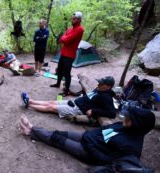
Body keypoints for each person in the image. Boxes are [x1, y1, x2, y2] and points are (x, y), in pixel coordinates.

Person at [19, 106, 155, 165]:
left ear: (137, 124)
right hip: (89, 138)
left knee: (57, 139)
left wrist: (89, 145)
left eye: (129, 118)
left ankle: (31, 129)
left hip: (88, 152)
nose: (125, 118)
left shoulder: (132, 148)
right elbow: (104, 128)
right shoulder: (123, 126)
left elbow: (106, 161)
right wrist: (89, 135)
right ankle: (31, 132)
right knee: (59, 133)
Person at [22, 76, 116, 119]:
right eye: (99, 82)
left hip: (77, 109)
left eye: (101, 83)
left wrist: (94, 111)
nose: (98, 84)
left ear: (108, 87)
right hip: (74, 102)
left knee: (51, 107)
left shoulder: (106, 97)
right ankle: (30, 100)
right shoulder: (100, 89)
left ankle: (29, 105)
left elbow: (112, 113)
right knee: (51, 102)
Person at [50, 12, 84, 96]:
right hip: (64, 52)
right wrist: (64, 38)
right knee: (59, 70)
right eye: (72, 18)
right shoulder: (70, 29)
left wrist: (63, 38)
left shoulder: (80, 29)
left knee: (67, 73)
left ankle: (66, 91)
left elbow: (67, 39)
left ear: (79, 19)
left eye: (74, 19)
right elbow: (64, 38)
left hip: (70, 55)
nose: (72, 20)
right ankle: (58, 84)